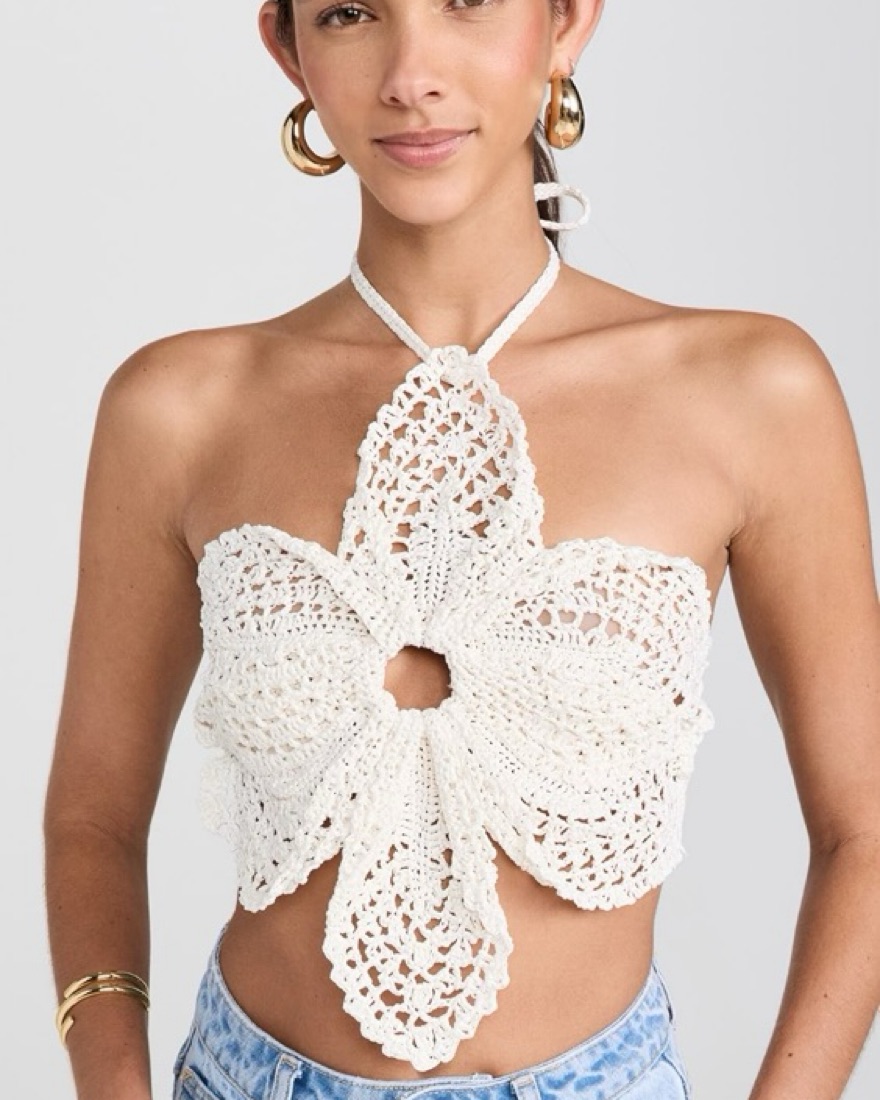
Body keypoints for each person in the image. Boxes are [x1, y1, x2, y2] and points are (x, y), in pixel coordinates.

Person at [43, 0, 880, 1098]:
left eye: (465, 2)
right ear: (289, 50)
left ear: (566, 22)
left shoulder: (748, 393)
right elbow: (93, 815)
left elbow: (865, 828)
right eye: (351, 13)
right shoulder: (178, 410)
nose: (410, 73)